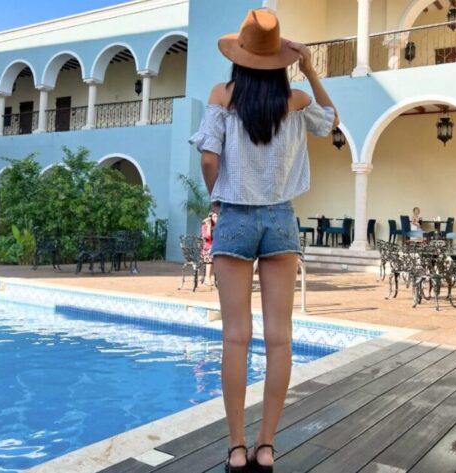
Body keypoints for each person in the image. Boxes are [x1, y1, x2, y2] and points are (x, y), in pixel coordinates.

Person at [189, 9, 338, 473]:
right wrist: (310, 68)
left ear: (240, 56)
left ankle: (236, 448)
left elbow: (209, 157)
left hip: (234, 215)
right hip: (280, 221)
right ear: (279, 60)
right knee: (280, 339)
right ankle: (267, 446)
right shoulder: (294, 99)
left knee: (235, 338)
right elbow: (330, 121)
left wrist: (218, 198)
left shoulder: (222, 96)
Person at [200, 209, 218, 285]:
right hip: (206, 251)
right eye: (214, 216)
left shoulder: (220, 227)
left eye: (217, 216)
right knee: (211, 254)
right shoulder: (204, 226)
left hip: (217, 250)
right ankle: (207, 278)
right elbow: (207, 237)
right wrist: (209, 226)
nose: (216, 218)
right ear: (210, 217)